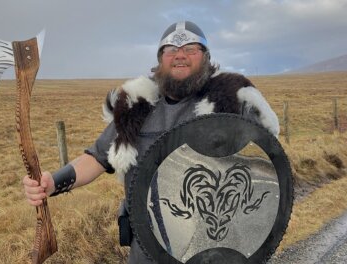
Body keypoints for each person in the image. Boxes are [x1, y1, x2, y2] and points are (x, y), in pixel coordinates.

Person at [23, 21, 280, 263]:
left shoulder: (230, 102)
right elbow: (97, 158)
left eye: (190, 48)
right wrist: (53, 182)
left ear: (206, 56)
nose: (180, 55)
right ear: (160, 60)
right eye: (171, 50)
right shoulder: (137, 106)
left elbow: (263, 161)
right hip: (148, 249)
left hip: (214, 248)